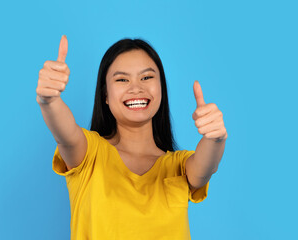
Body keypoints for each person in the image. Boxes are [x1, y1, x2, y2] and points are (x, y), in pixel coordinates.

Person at [36, 35, 227, 240]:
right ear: (105, 96)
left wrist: (216, 138)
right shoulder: (89, 155)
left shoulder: (178, 166)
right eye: (122, 79)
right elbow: (66, 135)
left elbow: (205, 167)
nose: (136, 88)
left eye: (146, 77)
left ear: (161, 88)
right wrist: (49, 100)